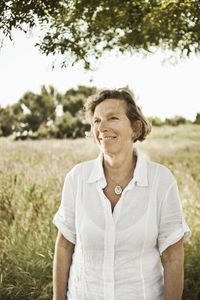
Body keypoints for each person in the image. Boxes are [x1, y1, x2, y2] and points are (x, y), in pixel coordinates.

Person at [52, 89, 191, 300]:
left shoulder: (161, 180)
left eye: (112, 118)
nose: (102, 127)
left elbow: (172, 256)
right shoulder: (77, 178)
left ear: (135, 128)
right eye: (97, 120)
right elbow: (64, 245)